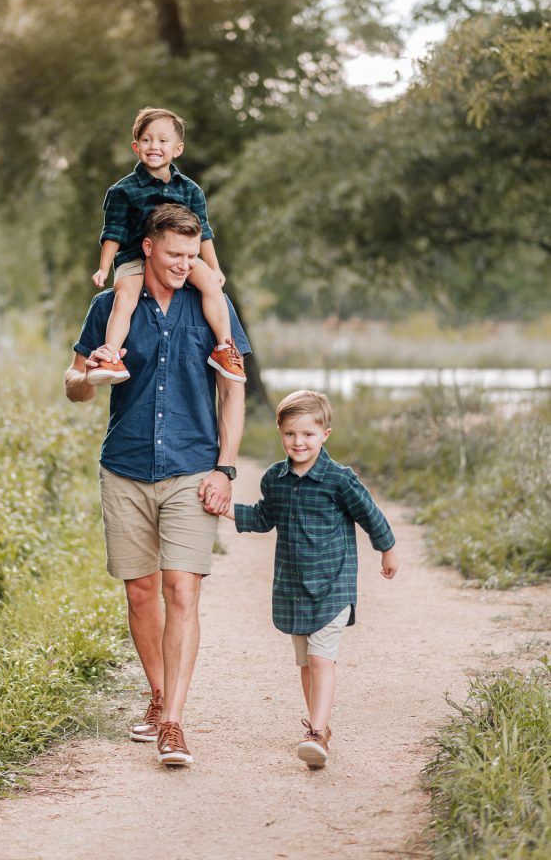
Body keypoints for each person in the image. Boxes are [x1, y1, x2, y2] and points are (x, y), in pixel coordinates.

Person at [65, 203, 250, 767]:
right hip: (125, 465)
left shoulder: (212, 307)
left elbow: (234, 391)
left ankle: (174, 723)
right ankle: (158, 693)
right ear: (148, 247)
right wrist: (90, 375)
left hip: (193, 468)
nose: (183, 264)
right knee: (140, 591)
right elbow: (74, 384)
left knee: (183, 591)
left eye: (192, 256)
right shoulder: (110, 305)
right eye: (173, 254)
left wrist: (225, 468)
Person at [220, 390, 398, 769]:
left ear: (325, 434)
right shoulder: (276, 479)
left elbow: (370, 515)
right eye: (290, 435)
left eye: (308, 435)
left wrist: (387, 548)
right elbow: (264, 517)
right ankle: (319, 729)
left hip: (333, 584)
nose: (298, 442)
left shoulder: (339, 480)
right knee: (305, 664)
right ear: (280, 433)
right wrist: (225, 510)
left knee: (321, 659)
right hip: (294, 586)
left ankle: (316, 731)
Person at [90, 106, 245, 386]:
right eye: (147, 140)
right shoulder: (122, 192)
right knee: (125, 297)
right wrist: (103, 269)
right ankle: (110, 355)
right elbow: (113, 232)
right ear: (136, 147)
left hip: (178, 256)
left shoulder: (190, 190)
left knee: (212, 285)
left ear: (178, 149)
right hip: (135, 257)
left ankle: (224, 348)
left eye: (163, 141)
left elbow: (204, 233)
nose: (154, 146)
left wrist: (214, 267)